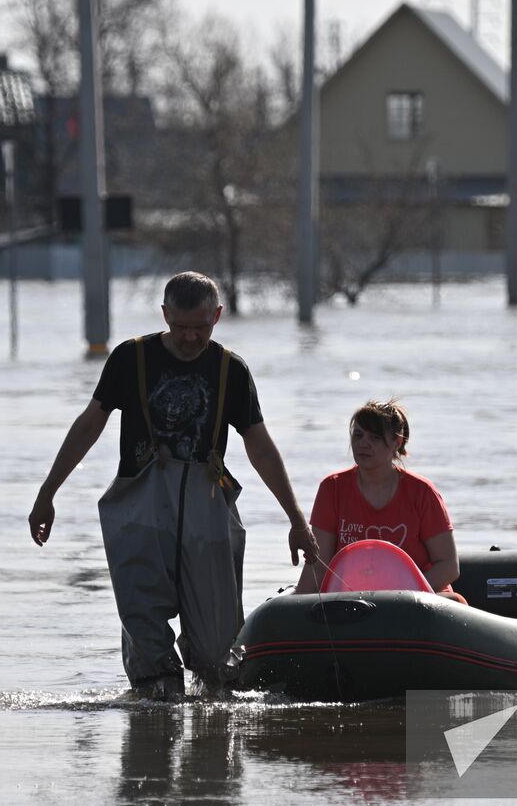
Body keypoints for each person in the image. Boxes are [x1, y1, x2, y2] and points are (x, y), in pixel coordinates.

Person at [29, 271, 318, 701]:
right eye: (179, 327)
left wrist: (297, 519)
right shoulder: (131, 358)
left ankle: (212, 742)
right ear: (165, 315)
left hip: (207, 509)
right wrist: (47, 493)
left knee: (218, 653)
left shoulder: (230, 370)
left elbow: (260, 445)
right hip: (140, 511)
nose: (188, 338)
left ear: (217, 316)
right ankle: (152, 732)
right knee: (146, 639)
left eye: (199, 328)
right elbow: (90, 423)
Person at [295, 400, 463, 602]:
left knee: (455, 600)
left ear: (396, 443)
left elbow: (448, 566)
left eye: (375, 438)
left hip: (418, 599)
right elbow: (319, 564)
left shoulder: (422, 492)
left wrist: (404, 596)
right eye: (358, 435)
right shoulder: (332, 488)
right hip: (352, 599)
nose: (363, 444)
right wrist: (295, 606)